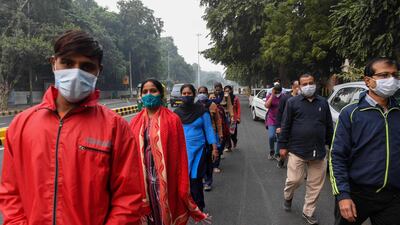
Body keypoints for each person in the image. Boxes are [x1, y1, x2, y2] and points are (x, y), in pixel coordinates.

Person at [0, 30, 145, 224]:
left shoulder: (115, 128)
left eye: (86, 66)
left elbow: (128, 198)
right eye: (67, 63)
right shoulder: (22, 124)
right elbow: (10, 191)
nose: (76, 73)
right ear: (54, 63)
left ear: (98, 71)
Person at [330, 57, 400, 225]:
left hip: (392, 197)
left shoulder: (398, 111)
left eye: (395, 75)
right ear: (368, 81)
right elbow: (337, 156)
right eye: (384, 75)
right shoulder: (351, 113)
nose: (391, 80)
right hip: (356, 195)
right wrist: (343, 195)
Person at [130, 79, 208, 225]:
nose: (148, 95)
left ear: (161, 94)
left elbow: (180, 155)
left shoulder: (173, 120)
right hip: (144, 182)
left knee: (165, 215)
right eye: (145, 92)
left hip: (166, 181)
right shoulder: (135, 122)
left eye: (153, 91)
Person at [279, 73, 333, 225]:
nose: (308, 86)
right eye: (304, 84)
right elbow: (286, 125)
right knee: (294, 180)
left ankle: (308, 211)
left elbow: (328, 125)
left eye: (311, 82)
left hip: (319, 152)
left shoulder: (323, 102)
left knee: (315, 186)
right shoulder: (292, 102)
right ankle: (288, 196)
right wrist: (282, 146)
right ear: (299, 86)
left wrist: (332, 144)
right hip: (297, 150)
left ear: (315, 83)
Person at [174, 84, 218, 212]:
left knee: (195, 178)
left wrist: (214, 148)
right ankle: (186, 205)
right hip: (182, 152)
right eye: (184, 93)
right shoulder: (176, 114)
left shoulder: (202, 111)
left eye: (189, 93)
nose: (186, 96)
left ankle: (199, 207)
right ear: (181, 95)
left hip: (199, 150)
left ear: (194, 94)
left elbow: (209, 130)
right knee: (184, 179)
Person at [198, 86, 223, 192]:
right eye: (200, 92)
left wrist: (220, 133)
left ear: (208, 93)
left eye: (204, 92)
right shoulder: (194, 106)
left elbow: (218, 121)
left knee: (209, 157)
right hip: (199, 136)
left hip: (212, 133)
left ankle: (208, 181)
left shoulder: (212, 105)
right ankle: (201, 179)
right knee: (200, 159)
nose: (202, 94)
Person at [276, 80, 300, 168]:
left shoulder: (302, 99)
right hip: (285, 127)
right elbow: (279, 113)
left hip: (297, 128)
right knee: (284, 151)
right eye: (297, 86)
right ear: (293, 87)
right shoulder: (285, 98)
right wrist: (278, 126)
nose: (299, 88)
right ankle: (282, 159)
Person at [265, 83, 284, 160]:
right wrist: (272, 95)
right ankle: (271, 151)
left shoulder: (283, 97)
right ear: (273, 90)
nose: (277, 93)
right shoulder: (270, 96)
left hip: (281, 120)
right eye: (276, 91)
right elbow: (266, 105)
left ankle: (277, 154)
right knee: (271, 136)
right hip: (271, 119)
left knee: (280, 137)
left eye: (279, 91)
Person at [224, 85, 241, 150]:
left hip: (233, 118)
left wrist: (238, 117)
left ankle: (234, 140)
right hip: (225, 118)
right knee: (226, 132)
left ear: (231, 91)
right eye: (225, 91)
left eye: (228, 91)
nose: (227, 92)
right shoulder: (223, 98)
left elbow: (238, 108)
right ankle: (228, 147)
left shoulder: (235, 98)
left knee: (232, 133)